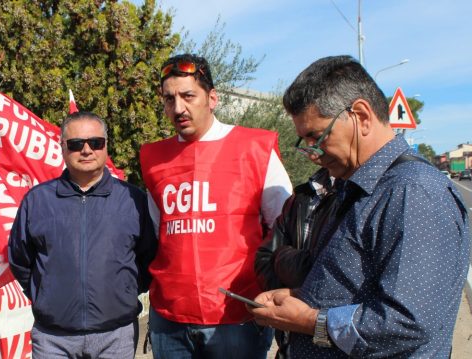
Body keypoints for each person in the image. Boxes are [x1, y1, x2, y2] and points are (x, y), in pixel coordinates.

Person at [249, 55, 470, 357]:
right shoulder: (359, 188)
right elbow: (356, 287)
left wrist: (308, 320)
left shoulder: (413, 191)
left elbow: (408, 322)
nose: (312, 155)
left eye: (317, 137)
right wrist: (300, 298)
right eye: (304, 142)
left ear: (362, 116)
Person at [139, 54, 292, 358]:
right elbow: (160, 231)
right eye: (169, 99)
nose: (178, 108)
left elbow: (285, 228)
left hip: (237, 316)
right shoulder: (154, 159)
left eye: (188, 96)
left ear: (212, 98)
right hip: (169, 317)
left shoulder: (254, 148)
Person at [8, 111, 157, 358]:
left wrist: (124, 291)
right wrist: (45, 294)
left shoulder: (133, 200)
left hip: (116, 336)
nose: (86, 150)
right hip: (53, 339)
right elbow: (20, 260)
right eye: (76, 144)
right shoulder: (37, 201)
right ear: (63, 148)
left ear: (106, 146)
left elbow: (148, 257)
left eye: (95, 142)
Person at [253, 168, 337, 358]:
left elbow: (334, 273)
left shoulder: (366, 194)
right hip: (290, 346)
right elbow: (265, 258)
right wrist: (287, 298)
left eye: (313, 136)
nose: (312, 147)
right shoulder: (302, 196)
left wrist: (287, 261)